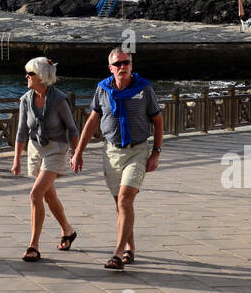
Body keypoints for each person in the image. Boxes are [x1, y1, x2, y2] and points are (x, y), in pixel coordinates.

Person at [69, 47, 162, 270]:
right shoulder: (102, 89)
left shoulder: (144, 88)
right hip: (111, 152)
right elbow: (92, 121)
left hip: (138, 150)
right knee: (120, 204)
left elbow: (158, 119)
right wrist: (78, 152)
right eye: (118, 64)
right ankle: (130, 247)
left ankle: (118, 254)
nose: (123, 67)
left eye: (126, 63)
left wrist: (156, 153)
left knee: (124, 200)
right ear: (111, 68)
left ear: (131, 65)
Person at [12, 57, 79, 262]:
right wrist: (16, 160)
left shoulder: (59, 100)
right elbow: (21, 131)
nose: (26, 77)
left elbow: (73, 129)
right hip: (35, 150)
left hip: (56, 150)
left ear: (41, 77)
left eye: (30, 74)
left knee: (35, 194)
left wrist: (76, 154)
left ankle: (34, 245)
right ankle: (68, 231)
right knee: (49, 197)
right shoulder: (26, 99)